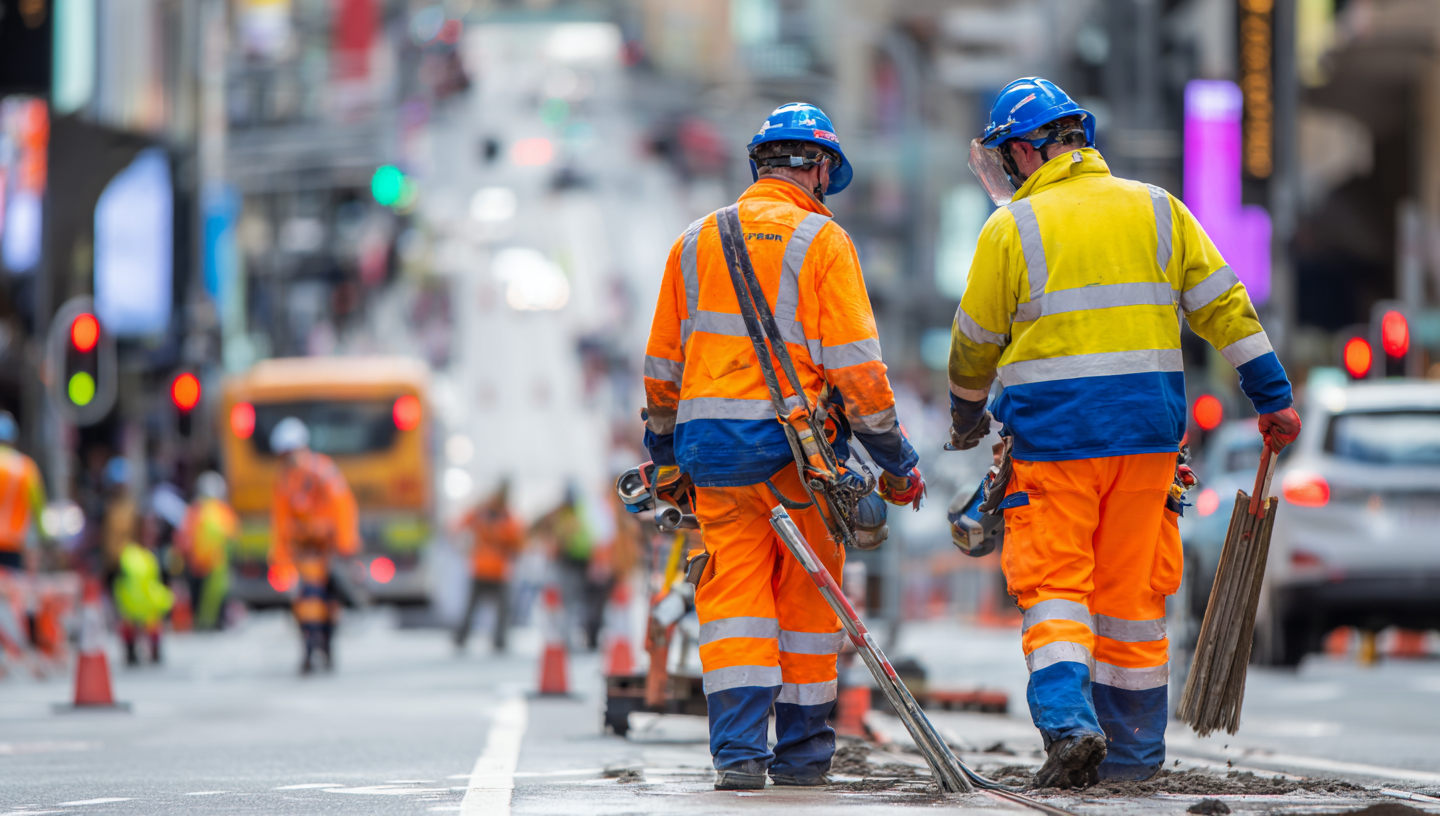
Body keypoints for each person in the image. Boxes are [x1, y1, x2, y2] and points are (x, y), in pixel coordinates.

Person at [948, 77, 1302, 787]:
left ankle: (1071, 726)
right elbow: (1225, 307)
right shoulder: (1158, 210)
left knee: (1055, 590)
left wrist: (964, 413)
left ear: (1025, 150)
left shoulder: (1011, 228)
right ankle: (1136, 759)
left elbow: (973, 344)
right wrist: (1273, 398)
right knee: (1132, 600)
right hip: (1147, 444)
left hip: (1054, 447)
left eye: (1006, 158)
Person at [640, 102, 925, 790]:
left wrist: (663, 453)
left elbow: (661, 369)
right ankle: (801, 758)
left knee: (733, 601)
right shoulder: (824, 242)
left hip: (712, 455)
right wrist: (897, 462)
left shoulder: (693, 242)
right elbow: (859, 371)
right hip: (797, 459)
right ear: (820, 169)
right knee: (804, 605)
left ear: (758, 167)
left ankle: (738, 754)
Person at [268, 418, 360, 674]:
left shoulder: (323, 472)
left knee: (328, 607)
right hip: (303, 555)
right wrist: (281, 559)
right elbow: (281, 522)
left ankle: (326, 647)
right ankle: (309, 650)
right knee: (304, 607)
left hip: (327, 552)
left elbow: (343, 509)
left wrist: (345, 546)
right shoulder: (285, 481)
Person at [453, 480, 525, 652]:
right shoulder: (485, 513)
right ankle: (462, 637)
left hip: (497, 570)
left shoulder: (504, 516)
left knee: (497, 609)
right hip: (485, 569)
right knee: (473, 608)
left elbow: (517, 541)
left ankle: (498, 640)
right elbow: (460, 526)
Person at [0, 411, 46, 671]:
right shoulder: (25, 468)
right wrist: (43, 540)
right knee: (13, 598)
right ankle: (14, 648)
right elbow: (39, 509)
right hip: (14, 546)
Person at [176, 471, 238, 631]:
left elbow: (185, 535)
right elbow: (232, 535)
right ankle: (212, 621)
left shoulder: (196, 510)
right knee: (215, 595)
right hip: (213, 563)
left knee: (206, 595)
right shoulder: (219, 510)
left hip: (202, 563)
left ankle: (206, 622)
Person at [114, 514, 174, 665]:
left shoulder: (156, 553)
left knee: (153, 627)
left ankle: (153, 651)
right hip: (131, 603)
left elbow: (162, 580)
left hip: (148, 604)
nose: (151, 533)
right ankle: (131, 652)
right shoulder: (129, 553)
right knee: (130, 627)